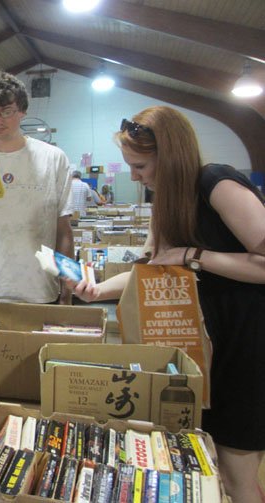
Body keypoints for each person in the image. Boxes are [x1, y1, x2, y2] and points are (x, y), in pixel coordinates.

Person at [70, 106, 265, 502]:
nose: (134, 176)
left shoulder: (216, 183)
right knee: (213, 462)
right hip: (201, 346)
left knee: (236, 468)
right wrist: (96, 289)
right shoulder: (167, 200)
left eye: (140, 165)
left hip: (245, 343)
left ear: (170, 156)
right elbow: (152, 268)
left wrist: (194, 256)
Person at [0, 71, 74, 304]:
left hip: (39, 289)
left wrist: (68, 288)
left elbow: (64, 230)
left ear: (22, 111)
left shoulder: (53, 158)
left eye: (7, 112)